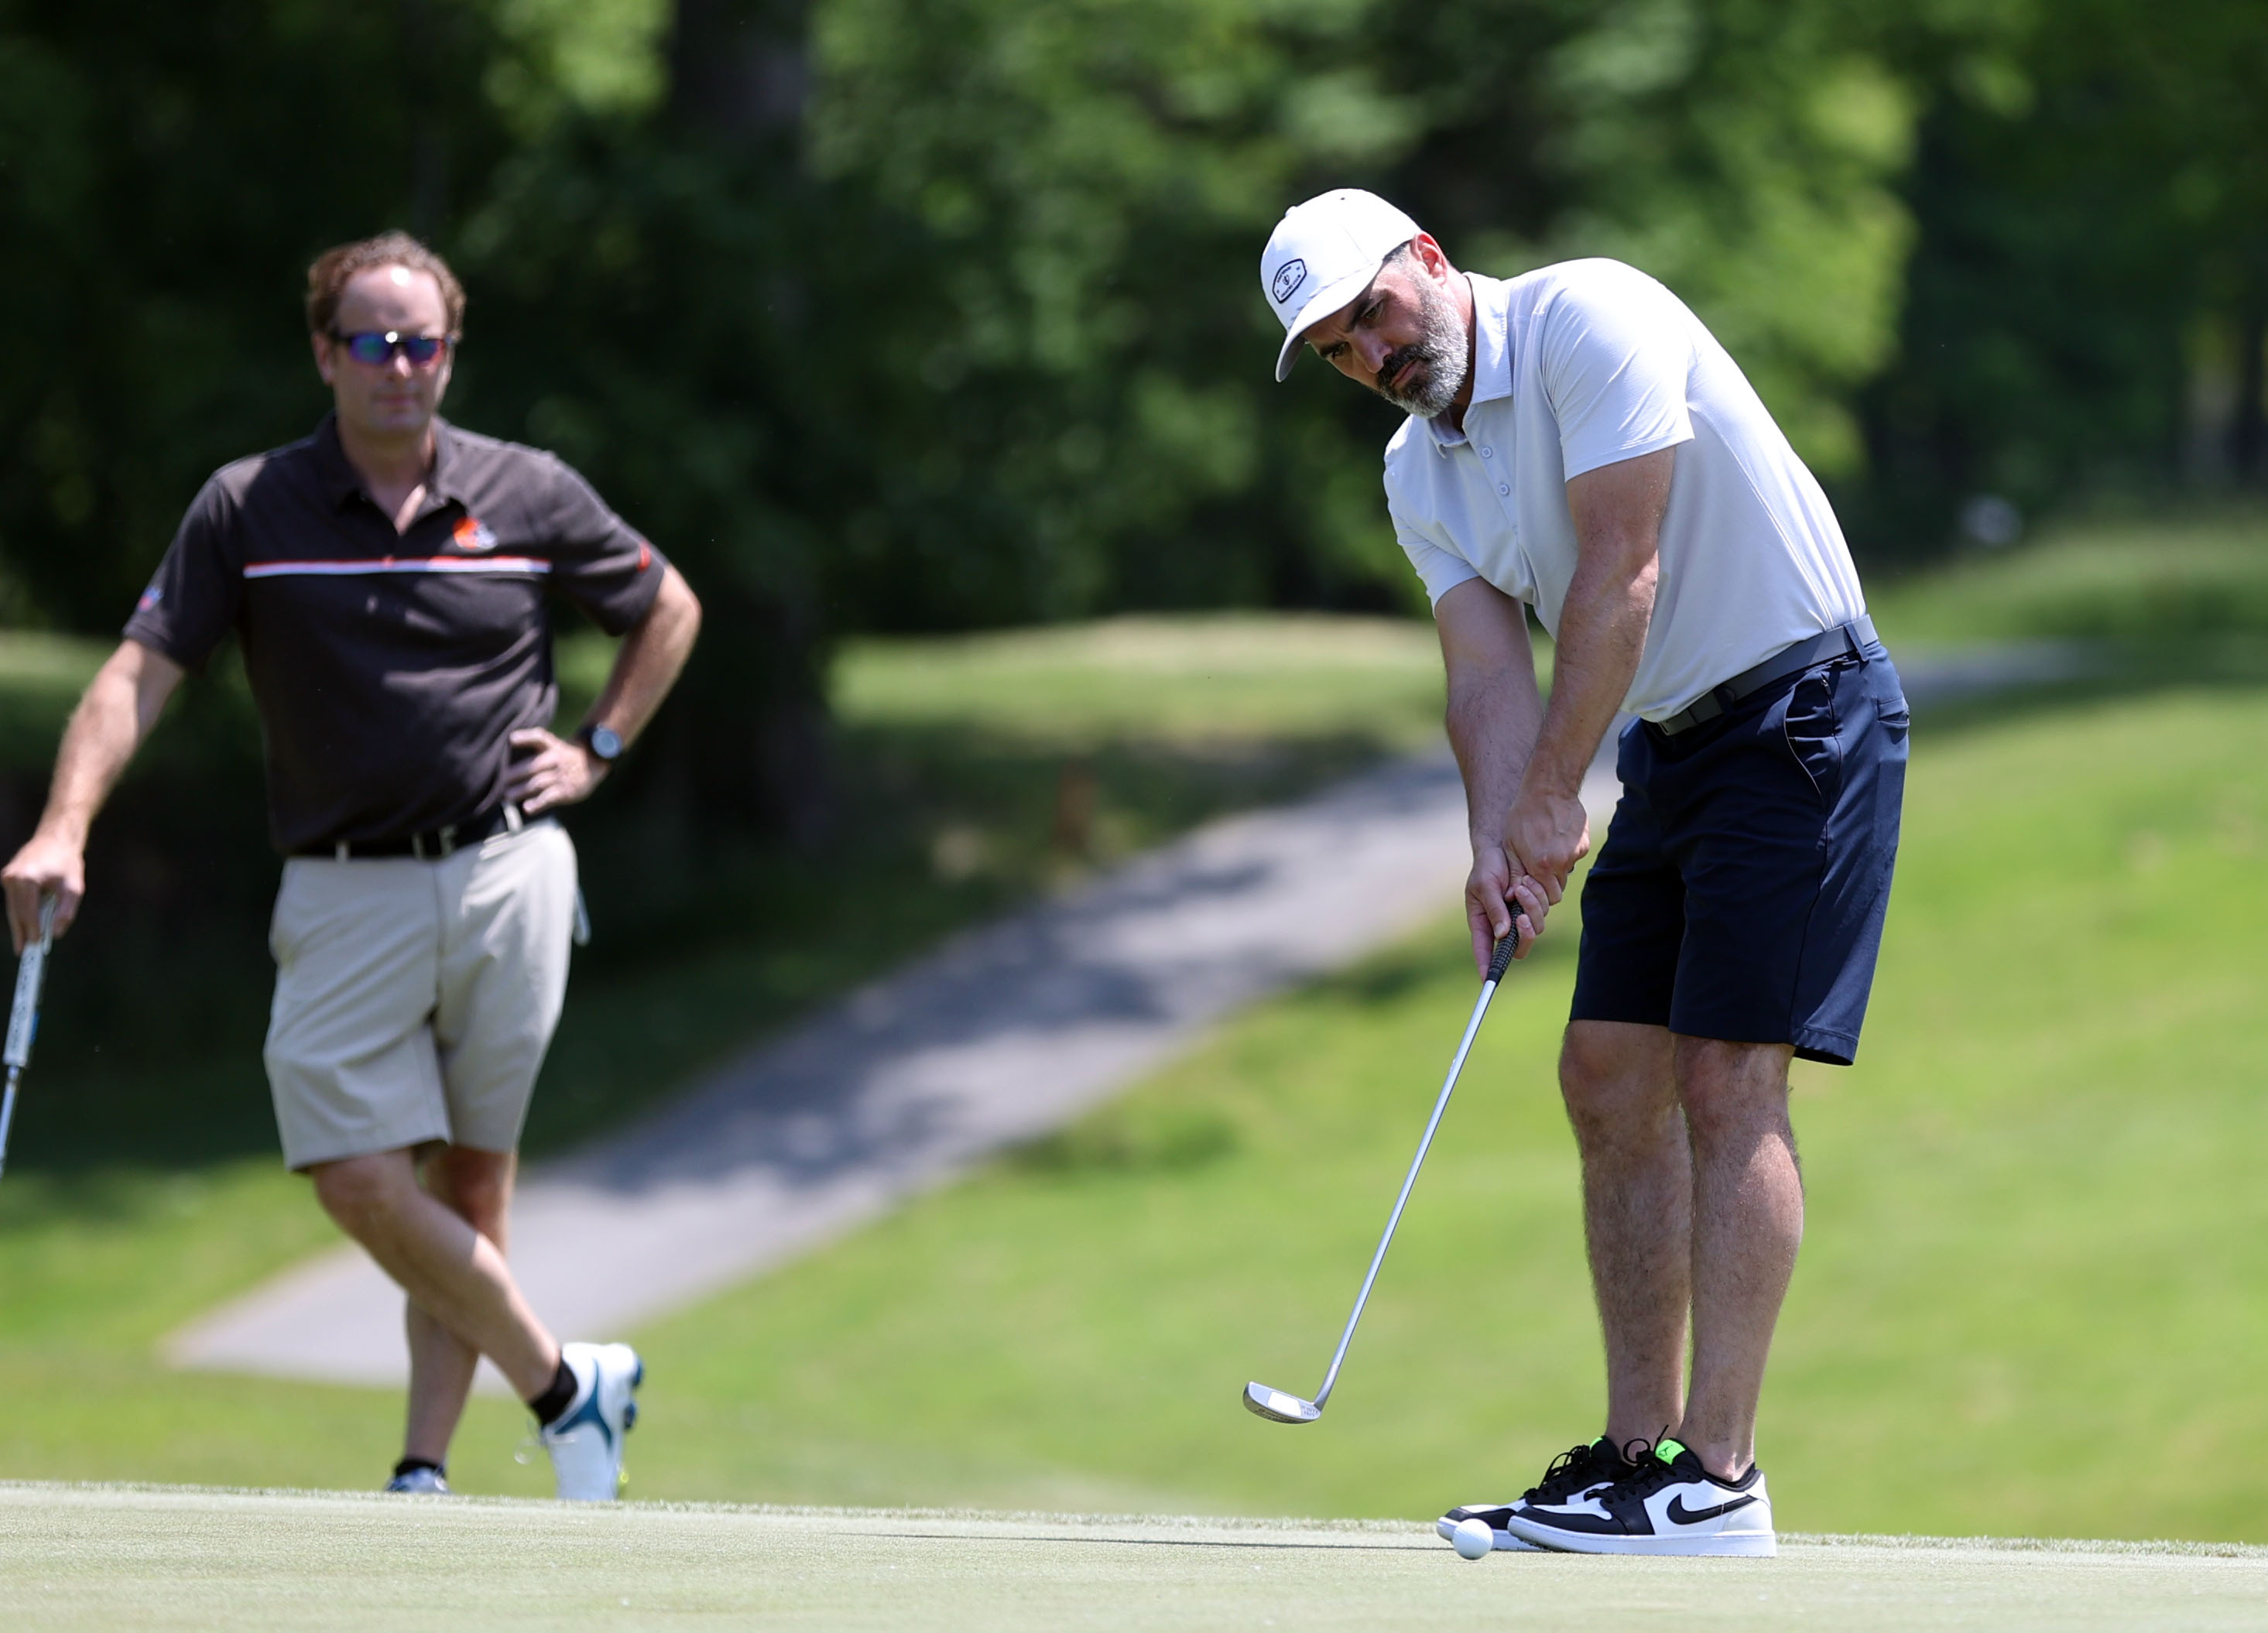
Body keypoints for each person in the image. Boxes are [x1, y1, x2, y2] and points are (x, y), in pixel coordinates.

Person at [1, 231, 702, 1501]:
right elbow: (139, 670)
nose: (401, 366)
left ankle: (421, 1472)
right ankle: (564, 1385)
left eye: (423, 342)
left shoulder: (526, 490)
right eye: (373, 343)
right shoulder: (249, 505)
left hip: (506, 871)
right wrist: (66, 822)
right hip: (340, 887)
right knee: (356, 1173)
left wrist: (598, 745)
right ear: (324, 355)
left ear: (450, 352)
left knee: (472, 1177)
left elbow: (667, 603)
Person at [1258, 191, 1907, 1556]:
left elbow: (1625, 573)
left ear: (1426, 260)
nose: (1370, 356)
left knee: (1729, 1074)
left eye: (1370, 314)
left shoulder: (1586, 315)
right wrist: (1498, 836)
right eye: (1335, 351)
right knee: (1606, 1069)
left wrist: (1558, 791)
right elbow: (1483, 671)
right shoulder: (1412, 471)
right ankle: (1632, 1461)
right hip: (1677, 746)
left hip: (1802, 711)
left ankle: (1715, 1476)